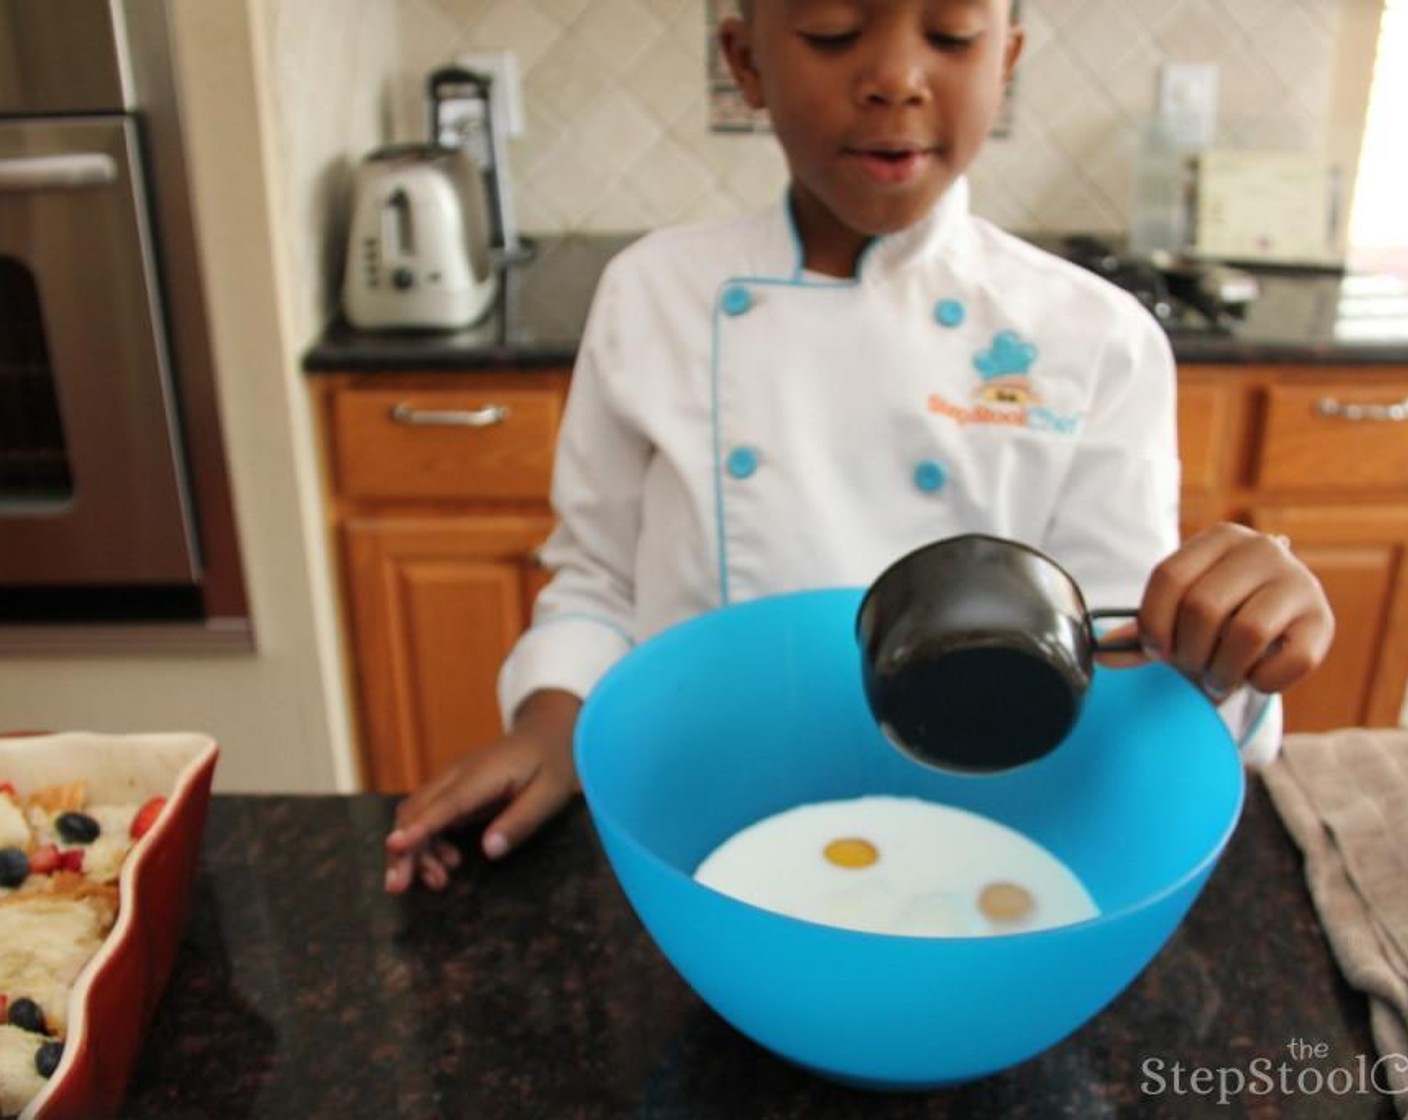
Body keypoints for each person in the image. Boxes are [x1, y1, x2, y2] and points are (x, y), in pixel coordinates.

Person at [384, 0, 1334, 893]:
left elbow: (1121, 653)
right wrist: (552, 719)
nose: (895, 78)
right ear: (746, 61)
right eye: (835, 32)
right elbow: (595, 580)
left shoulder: (1096, 338)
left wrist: (1229, 636)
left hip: (986, 848)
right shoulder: (652, 296)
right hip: (701, 830)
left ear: (1005, 59)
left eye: (952, 35)